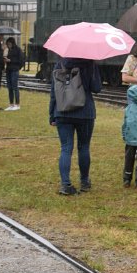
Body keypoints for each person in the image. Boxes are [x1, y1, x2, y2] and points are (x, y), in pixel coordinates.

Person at [48, 57, 103, 195]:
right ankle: (84, 182)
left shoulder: (59, 63)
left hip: (62, 111)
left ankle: (65, 184)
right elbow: (97, 88)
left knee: (66, 148)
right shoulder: (89, 63)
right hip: (85, 112)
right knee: (84, 147)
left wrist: (52, 114)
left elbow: (54, 91)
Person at [4, 37, 24, 110]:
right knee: (9, 87)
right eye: (7, 44)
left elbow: (21, 60)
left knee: (15, 87)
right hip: (8, 70)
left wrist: (11, 61)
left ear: (12, 43)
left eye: (9, 44)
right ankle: (11, 104)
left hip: (14, 70)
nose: (8, 45)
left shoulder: (18, 50)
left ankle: (17, 104)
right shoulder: (7, 50)